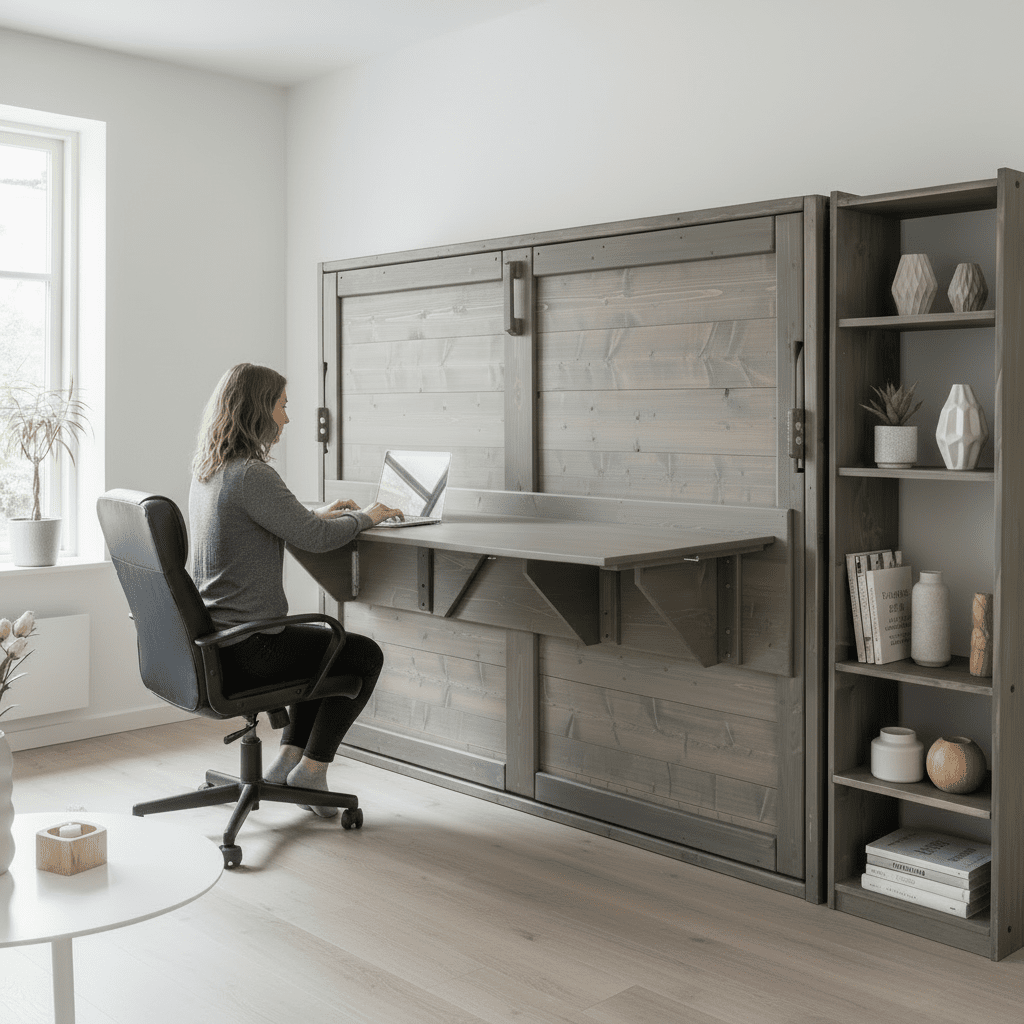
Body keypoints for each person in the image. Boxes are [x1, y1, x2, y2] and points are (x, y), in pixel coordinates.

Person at [188, 362, 403, 816]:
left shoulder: (211, 471)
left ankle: (289, 758)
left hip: (217, 645)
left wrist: (319, 513)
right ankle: (314, 769)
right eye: (283, 406)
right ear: (259, 411)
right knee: (361, 654)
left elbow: (278, 525)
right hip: (250, 648)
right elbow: (317, 540)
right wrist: (368, 517)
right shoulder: (252, 475)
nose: (286, 418)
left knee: (324, 650)